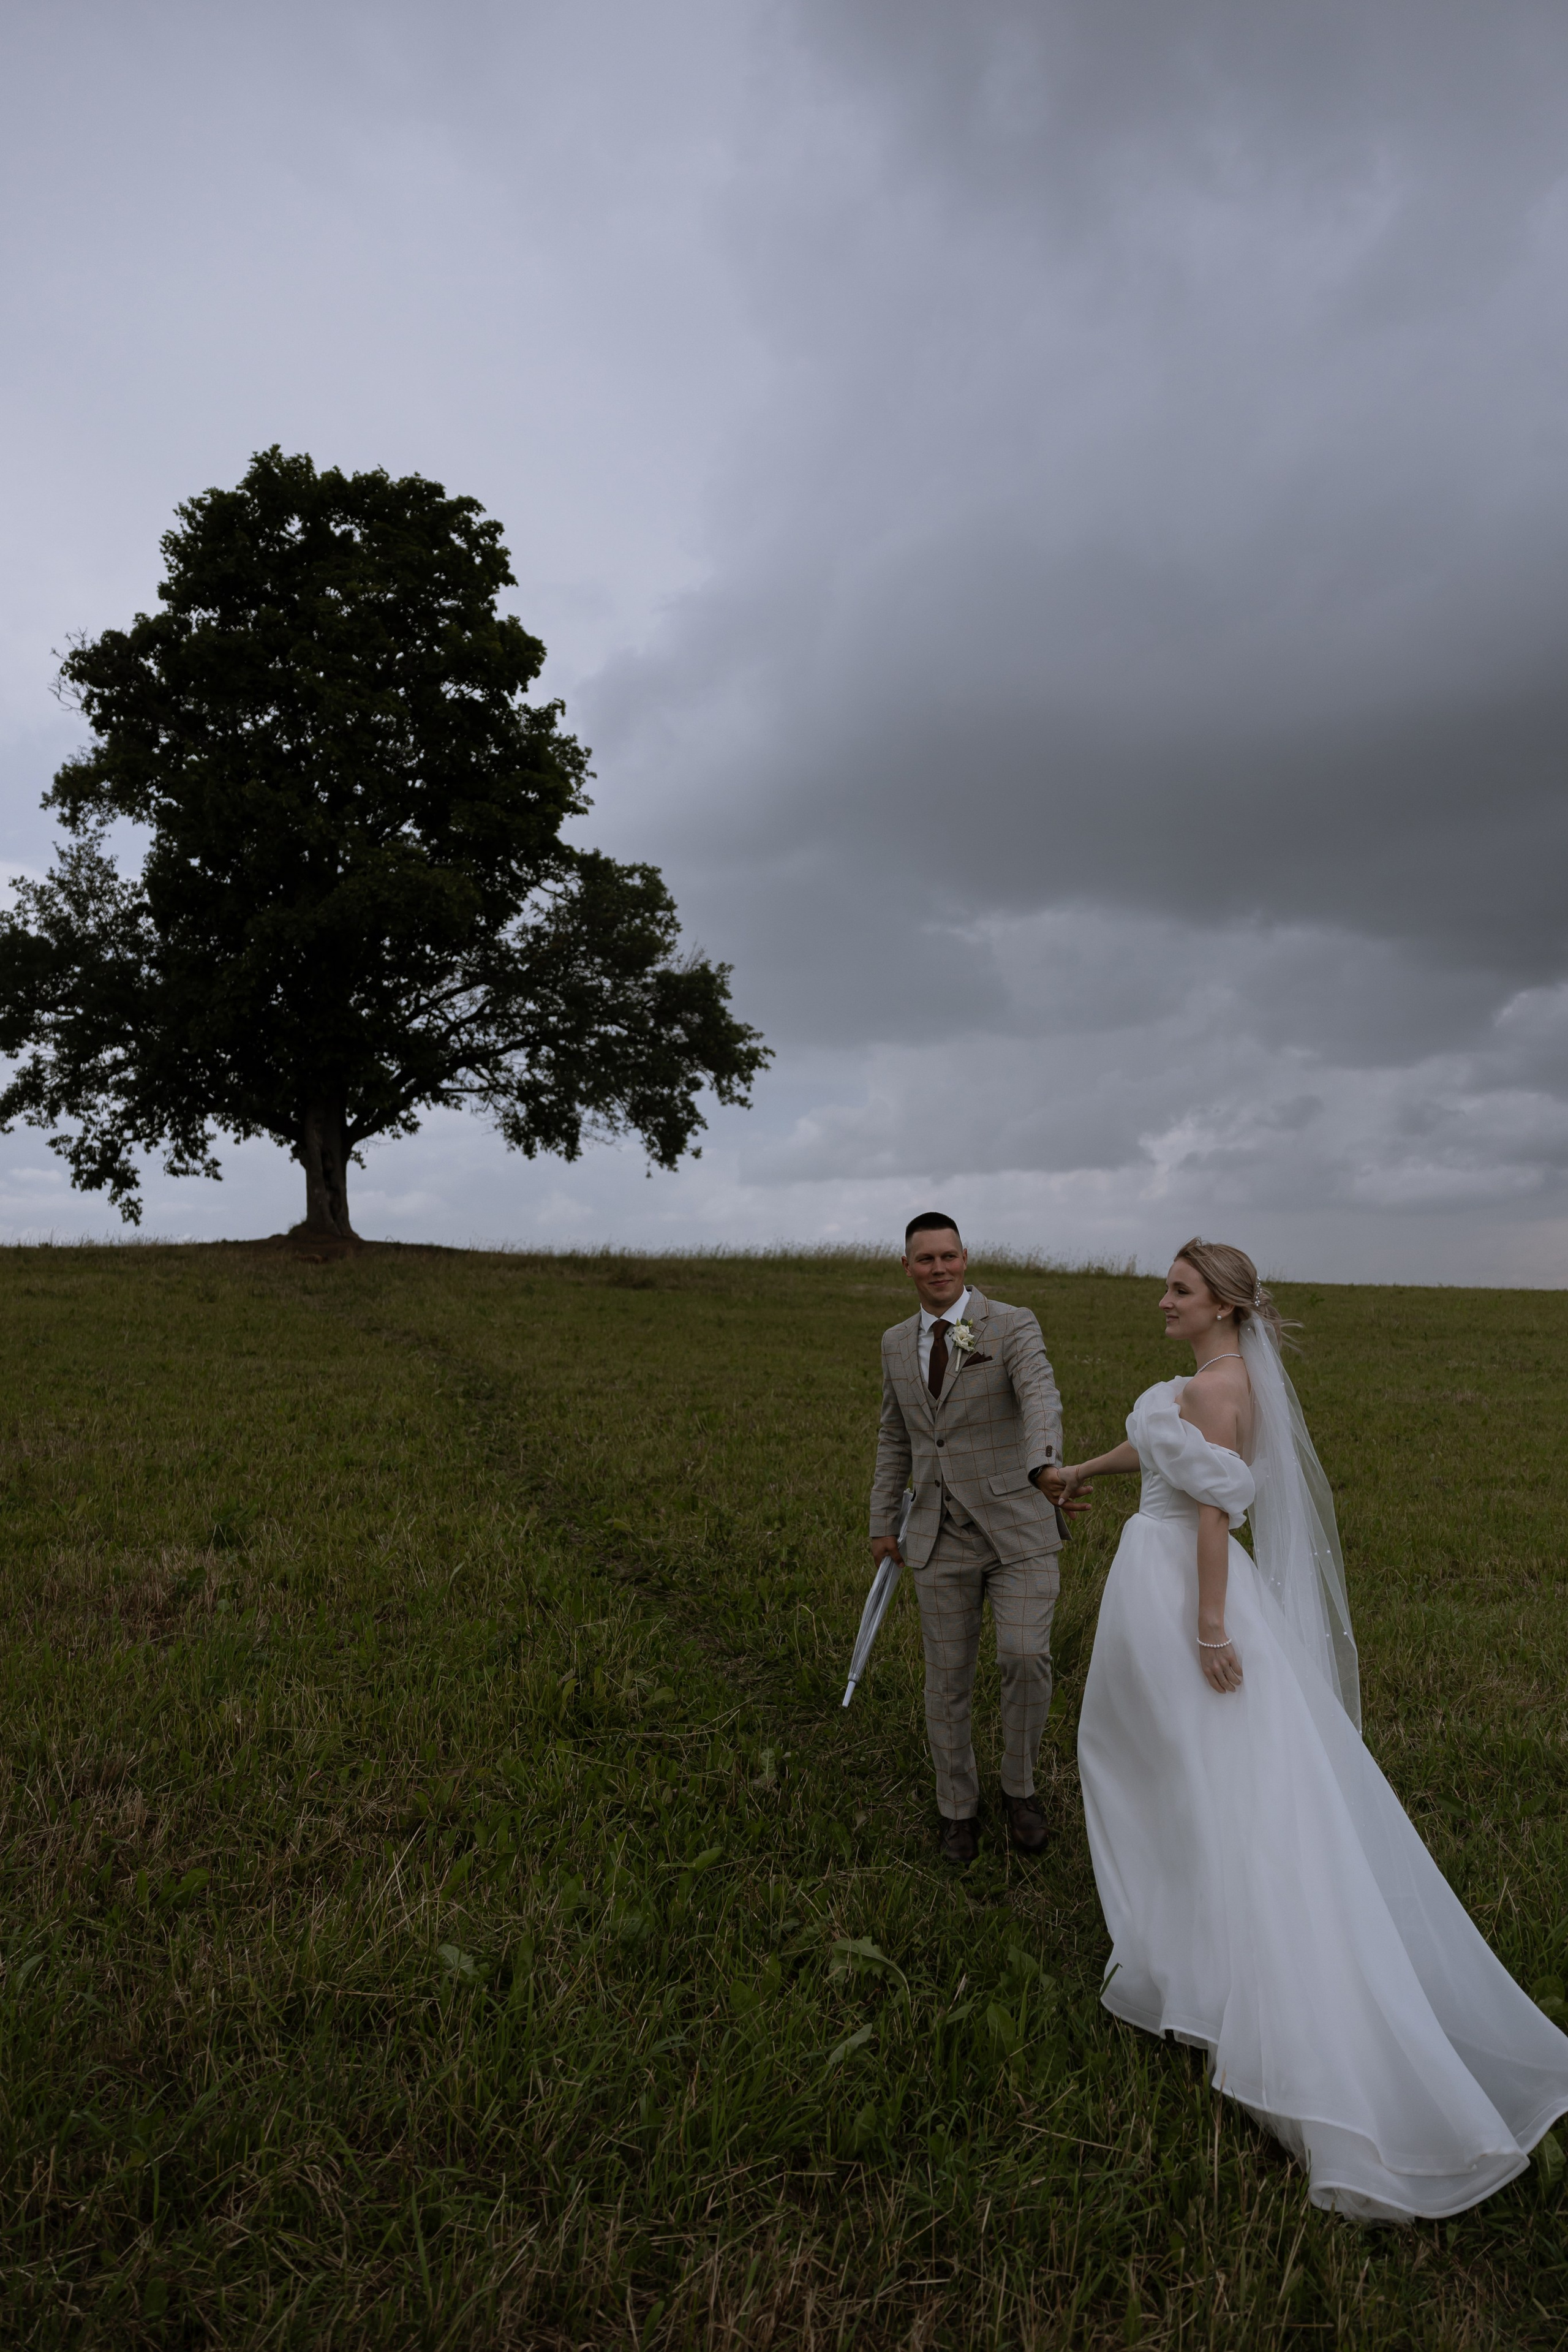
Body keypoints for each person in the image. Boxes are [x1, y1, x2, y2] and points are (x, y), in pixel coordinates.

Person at [1048, 1237, 1568, 2221]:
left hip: (1180, 1594)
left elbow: (1212, 1512)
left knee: (1182, 1776)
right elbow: (1161, 1448)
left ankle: (1214, 1972)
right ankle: (1181, 1947)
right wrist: (1081, 1466)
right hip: (1160, 1575)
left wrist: (1207, 1630)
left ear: (1225, 1307)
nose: (1162, 1300)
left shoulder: (1218, 1390)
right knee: (1170, 1772)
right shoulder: (1203, 1381)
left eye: (1180, 1290)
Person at [869, 1214, 1082, 1865]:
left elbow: (1040, 1395)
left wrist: (1045, 1464)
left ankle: (1019, 1789)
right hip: (936, 1535)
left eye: (949, 1256)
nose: (939, 1268)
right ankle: (956, 1808)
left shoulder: (1011, 1323)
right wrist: (883, 1520)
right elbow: (895, 1434)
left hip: (1017, 1528)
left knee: (1023, 1656)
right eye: (925, 1259)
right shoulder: (893, 1343)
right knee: (946, 1679)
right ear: (906, 1267)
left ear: (966, 1258)